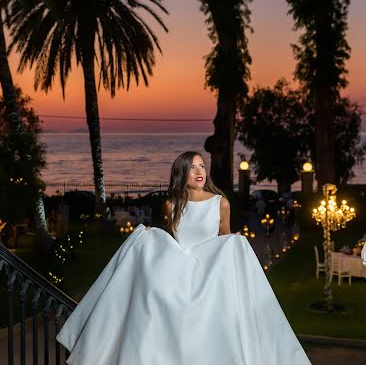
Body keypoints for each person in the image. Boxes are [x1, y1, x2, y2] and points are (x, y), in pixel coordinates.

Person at [57, 151, 311, 365]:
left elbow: (223, 237)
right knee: (145, 266)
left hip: (209, 268)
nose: (199, 171)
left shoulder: (220, 203)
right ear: (182, 174)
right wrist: (148, 236)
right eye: (192, 168)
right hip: (177, 266)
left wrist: (234, 241)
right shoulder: (172, 205)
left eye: (202, 166)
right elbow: (173, 237)